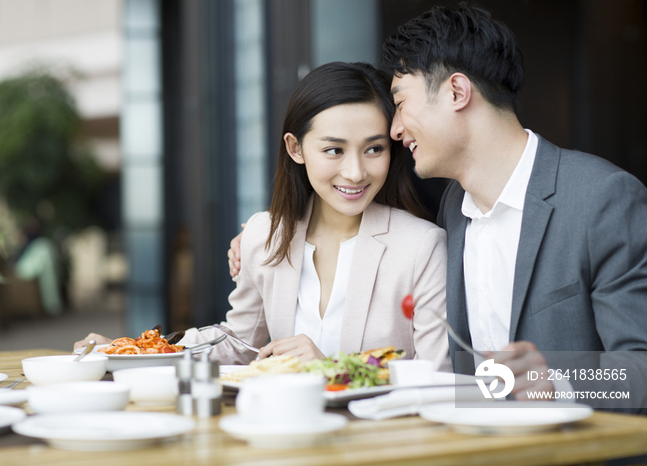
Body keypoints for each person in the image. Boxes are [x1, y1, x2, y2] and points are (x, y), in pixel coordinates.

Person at [229, 4, 647, 409]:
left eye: (401, 102)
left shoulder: (601, 199)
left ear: (457, 92)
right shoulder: (453, 210)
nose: (394, 129)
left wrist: (556, 380)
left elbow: (641, 370)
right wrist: (255, 238)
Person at [76, 62, 451, 370]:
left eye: (373, 149)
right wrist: (131, 350)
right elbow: (236, 343)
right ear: (296, 148)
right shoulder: (264, 235)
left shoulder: (421, 246)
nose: (355, 172)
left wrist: (332, 368)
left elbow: (438, 370)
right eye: (334, 150)